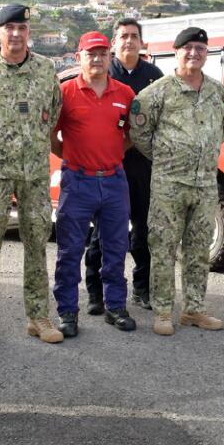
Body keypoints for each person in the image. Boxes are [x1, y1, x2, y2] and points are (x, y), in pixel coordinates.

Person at [0, 3, 63, 350]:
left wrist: (29, 146)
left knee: (37, 244)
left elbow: (52, 115)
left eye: (22, 27)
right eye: (9, 27)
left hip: (34, 173)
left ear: (28, 32)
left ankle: (38, 317)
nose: (16, 33)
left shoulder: (46, 70)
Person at [130, 26, 224, 336]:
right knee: (162, 247)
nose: (194, 53)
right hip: (168, 184)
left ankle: (194, 308)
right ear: (176, 52)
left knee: (199, 248)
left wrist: (201, 153)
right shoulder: (156, 92)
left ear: (206, 53)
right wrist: (168, 156)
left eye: (200, 48)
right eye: (187, 48)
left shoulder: (217, 93)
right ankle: (163, 311)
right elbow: (139, 133)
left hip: (204, 185)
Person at [51, 32, 136, 336]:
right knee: (70, 250)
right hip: (78, 181)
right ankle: (68, 312)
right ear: (79, 57)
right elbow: (52, 137)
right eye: (91, 53)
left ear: (110, 56)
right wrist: (76, 158)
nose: (97, 59)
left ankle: (115, 306)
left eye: (102, 53)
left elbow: (130, 136)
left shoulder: (125, 94)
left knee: (115, 248)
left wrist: (109, 157)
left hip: (114, 180)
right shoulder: (65, 93)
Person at [83, 18, 163, 315]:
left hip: (143, 165)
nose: (129, 41)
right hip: (108, 165)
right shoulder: (104, 72)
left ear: (142, 42)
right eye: (123, 36)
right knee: (103, 232)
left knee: (143, 230)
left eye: (134, 36)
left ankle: (142, 288)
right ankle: (96, 292)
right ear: (113, 43)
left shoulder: (154, 76)